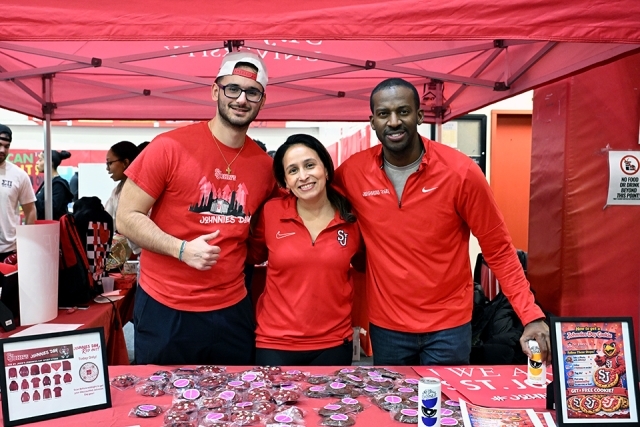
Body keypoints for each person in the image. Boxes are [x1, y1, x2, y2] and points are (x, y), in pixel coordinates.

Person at [333, 78, 550, 366]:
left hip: (449, 328)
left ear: (420, 116)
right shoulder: (352, 173)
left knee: (446, 409)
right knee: (395, 409)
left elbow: (498, 249)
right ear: (372, 121)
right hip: (387, 328)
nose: (394, 121)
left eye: (404, 111)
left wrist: (530, 314)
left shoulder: (460, 173)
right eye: (384, 114)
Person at [117, 51, 276, 365]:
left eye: (252, 92)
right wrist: (179, 248)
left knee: (234, 404)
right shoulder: (169, 146)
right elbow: (126, 217)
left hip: (232, 308)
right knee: (162, 403)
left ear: (262, 100)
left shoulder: (265, 167)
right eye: (233, 89)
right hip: (166, 306)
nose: (242, 99)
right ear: (215, 91)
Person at [248, 134, 362, 366]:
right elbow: (251, 255)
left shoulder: (352, 217)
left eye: (310, 165)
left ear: (326, 169)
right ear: (285, 181)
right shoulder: (271, 213)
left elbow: (364, 263)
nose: (303, 176)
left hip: (333, 343)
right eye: (293, 170)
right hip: (274, 343)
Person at [0, 124, 36, 263]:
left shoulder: (19, 175)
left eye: (7, 146)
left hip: (9, 250)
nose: (2, 150)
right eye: (0, 144)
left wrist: (26, 244)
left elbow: (30, 210)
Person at [104, 141, 141, 254]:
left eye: (110, 163)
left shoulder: (144, 189)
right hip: (140, 253)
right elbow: (108, 220)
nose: (107, 168)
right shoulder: (117, 191)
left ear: (125, 162)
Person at [34, 150, 73, 220]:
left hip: (54, 228)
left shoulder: (59, 185)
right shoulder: (48, 182)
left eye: (40, 160)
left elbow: (51, 208)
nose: (37, 163)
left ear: (50, 163)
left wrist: (32, 198)